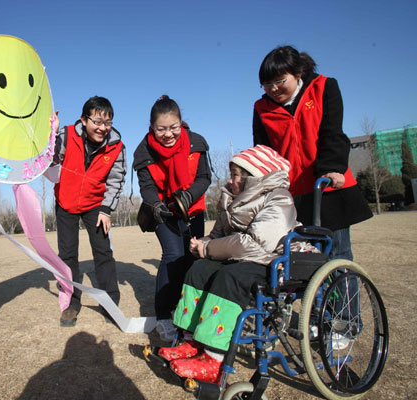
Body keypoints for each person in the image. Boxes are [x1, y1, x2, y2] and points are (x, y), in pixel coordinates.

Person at [157, 145, 303, 383]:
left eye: (236, 175)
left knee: (230, 277)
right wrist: (203, 243)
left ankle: (214, 358)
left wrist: (209, 248)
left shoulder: (278, 198)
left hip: (270, 260)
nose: (231, 180)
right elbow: (218, 234)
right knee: (199, 269)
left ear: (253, 177)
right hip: (240, 258)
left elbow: (256, 243)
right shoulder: (229, 198)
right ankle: (191, 340)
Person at [253, 45, 372, 261]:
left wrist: (332, 168)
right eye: (267, 84)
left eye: (280, 81)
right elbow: (263, 151)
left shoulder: (324, 87)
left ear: (297, 74)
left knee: (338, 253)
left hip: (327, 185)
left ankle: (345, 295)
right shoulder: (261, 108)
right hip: (292, 193)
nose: (273, 89)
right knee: (303, 259)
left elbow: (332, 132)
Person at [133, 95, 210, 342]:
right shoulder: (143, 151)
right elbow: (146, 187)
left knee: (191, 258)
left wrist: (188, 196)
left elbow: (204, 178)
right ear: (151, 127)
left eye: (173, 128)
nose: (168, 134)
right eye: (161, 129)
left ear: (181, 123)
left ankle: (185, 312)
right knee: (173, 255)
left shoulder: (196, 143)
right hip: (163, 212)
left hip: (193, 210)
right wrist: (155, 204)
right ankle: (163, 315)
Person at [53, 96, 126, 327]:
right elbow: (50, 161)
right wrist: (50, 136)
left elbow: (116, 180)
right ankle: (71, 302)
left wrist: (106, 209)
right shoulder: (65, 135)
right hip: (65, 202)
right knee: (67, 255)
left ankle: (110, 302)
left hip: (96, 205)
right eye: (97, 121)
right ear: (84, 120)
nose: (102, 128)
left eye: (108, 123)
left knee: (103, 252)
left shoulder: (116, 147)